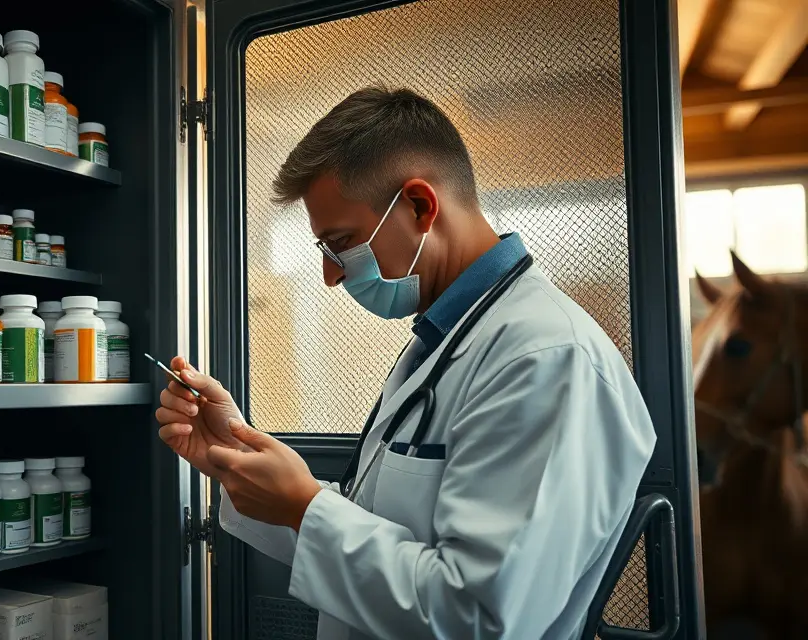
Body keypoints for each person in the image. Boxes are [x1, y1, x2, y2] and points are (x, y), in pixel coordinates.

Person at [155, 85, 657, 639]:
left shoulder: (546, 360)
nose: (332, 275)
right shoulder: (445, 339)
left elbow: (481, 618)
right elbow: (380, 526)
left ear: (420, 206)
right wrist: (237, 455)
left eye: (340, 243)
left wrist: (304, 508)